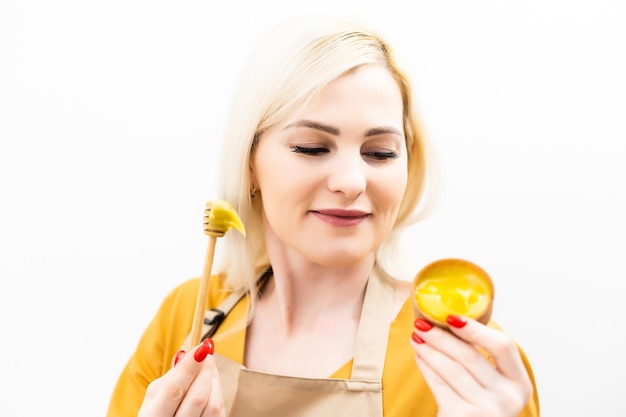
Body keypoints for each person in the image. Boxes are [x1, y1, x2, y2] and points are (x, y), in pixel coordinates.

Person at [106, 13, 540, 417]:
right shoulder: (188, 316)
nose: (352, 181)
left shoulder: (466, 364)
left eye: (380, 153)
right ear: (250, 165)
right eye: (312, 147)